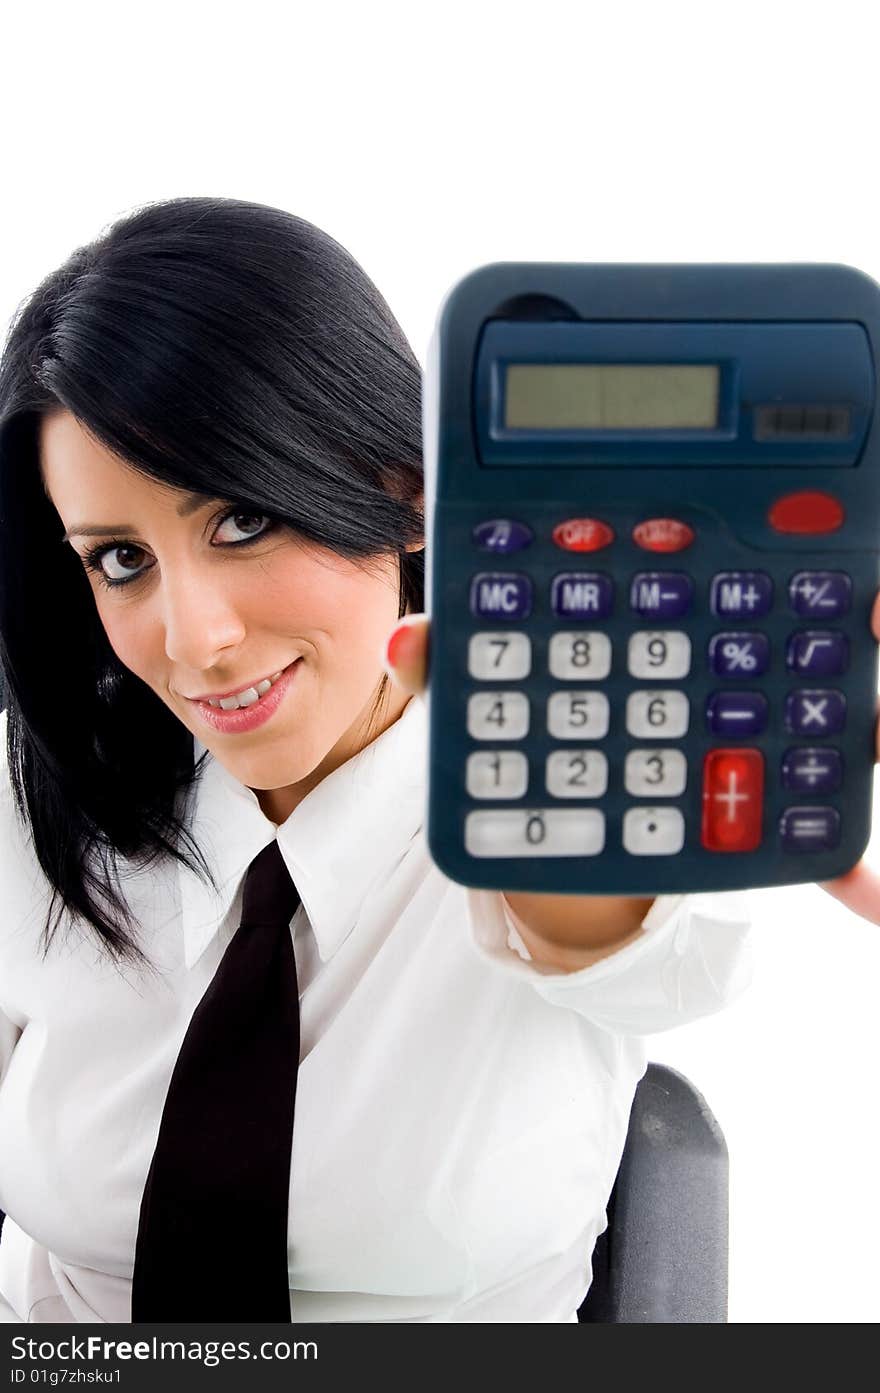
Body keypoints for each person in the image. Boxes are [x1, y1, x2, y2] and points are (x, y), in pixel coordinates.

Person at [0, 197, 876, 1324]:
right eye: (119, 558)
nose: (194, 640)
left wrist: (565, 824)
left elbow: (638, 947)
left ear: (401, 492)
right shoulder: (39, 795)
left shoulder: (560, 771)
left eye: (241, 522)